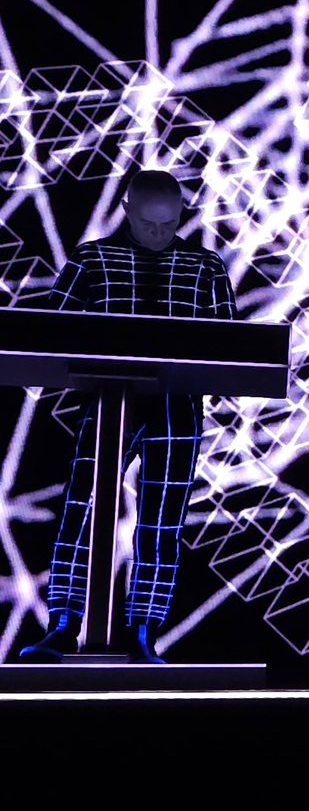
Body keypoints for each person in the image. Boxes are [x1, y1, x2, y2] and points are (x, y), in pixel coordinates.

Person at [15, 169, 238, 664]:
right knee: (81, 513)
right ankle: (63, 625)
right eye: (147, 224)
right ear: (127, 211)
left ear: (181, 216)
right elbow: (49, 330)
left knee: (161, 526)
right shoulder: (92, 259)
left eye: (168, 225)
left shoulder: (205, 266)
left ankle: (143, 632)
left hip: (177, 409)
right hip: (108, 404)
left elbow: (230, 345)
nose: (158, 235)